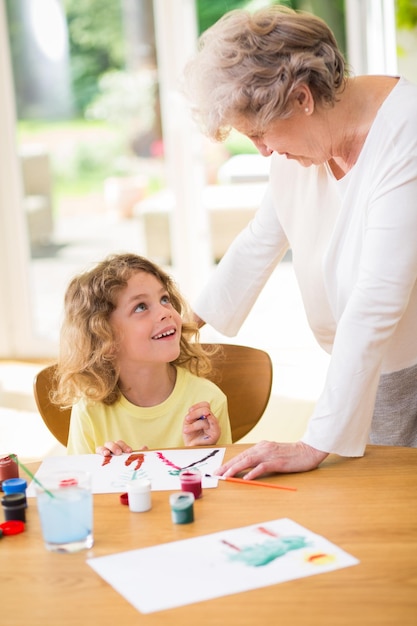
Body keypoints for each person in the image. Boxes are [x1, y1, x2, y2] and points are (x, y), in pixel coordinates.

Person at [183, 5, 417, 478]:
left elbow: (376, 301)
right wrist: (183, 324)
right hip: (363, 365)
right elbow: (263, 237)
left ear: (303, 98)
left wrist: (313, 442)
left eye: (260, 133)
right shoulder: (303, 141)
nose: (263, 149)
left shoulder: (406, 135)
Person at [51, 253, 232, 456]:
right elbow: (81, 484)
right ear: (105, 338)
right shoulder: (89, 409)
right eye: (141, 307)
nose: (166, 312)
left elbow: (223, 484)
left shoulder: (207, 401)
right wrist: (107, 472)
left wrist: (200, 457)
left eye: (164, 299)